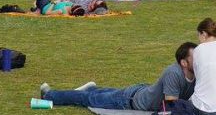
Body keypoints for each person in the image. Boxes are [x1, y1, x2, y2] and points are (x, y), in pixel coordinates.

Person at [40, 42, 197, 111]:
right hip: (129, 101)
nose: (199, 60)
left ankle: (93, 89)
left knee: (100, 94)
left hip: (140, 91)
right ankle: (49, 95)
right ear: (183, 63)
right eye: (194, 57)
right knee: (86, 99)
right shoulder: (173, 73)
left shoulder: (197, 72)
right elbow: (171, 107)